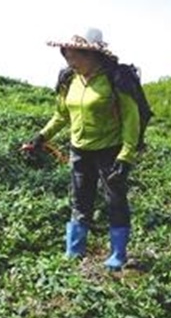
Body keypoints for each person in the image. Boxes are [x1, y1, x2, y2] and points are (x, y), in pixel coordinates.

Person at [25, 28, 140, 270]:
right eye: (67, 57)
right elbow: (61, 115)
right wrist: (40, 137)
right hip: (79, 149)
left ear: (91, 56)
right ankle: (74, 251)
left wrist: (126, 155)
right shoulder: (69, 80)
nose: (70, 62)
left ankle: (118, 254)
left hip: (111, 149)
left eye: (74, 57)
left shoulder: (114, 79)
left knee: (115, 200)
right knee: (80, 199)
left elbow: (131, 118)